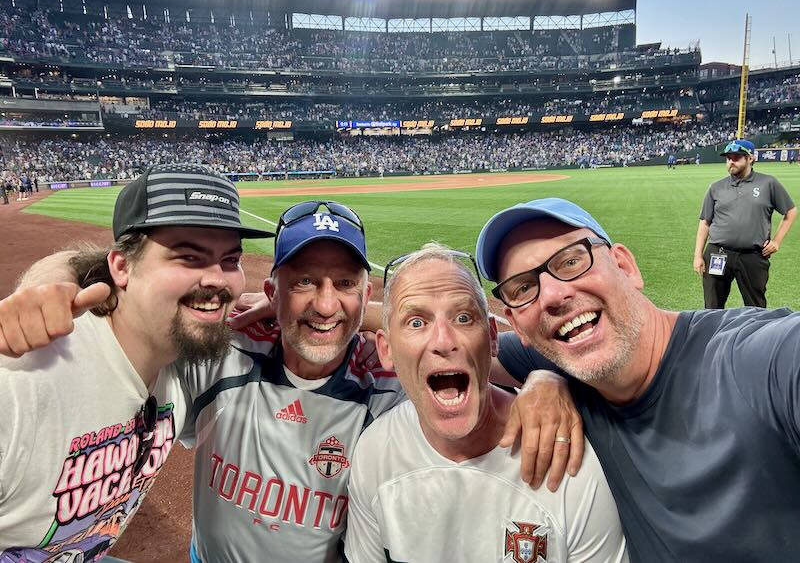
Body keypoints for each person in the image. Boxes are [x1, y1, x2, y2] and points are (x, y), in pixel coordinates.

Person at [0, 200, 581, 562]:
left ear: (366, 297)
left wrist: (543, 385)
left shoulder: (392, 375)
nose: (326, 305)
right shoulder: (217, 351)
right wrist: (46, 280)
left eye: (345, 285)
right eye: (304, 282)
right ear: (272, 291)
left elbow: (528, 354)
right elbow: (136, 292)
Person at [476, 197, 800, 562]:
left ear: (625, 266)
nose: (552, 295)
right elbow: (463, 356)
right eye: (522, 289)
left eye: (571, 261)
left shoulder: (754, 359)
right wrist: (543, 378)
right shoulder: (561, 355)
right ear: (517, 325)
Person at [0, 163, 271, 559]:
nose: (217, 278)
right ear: (122, 268)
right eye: (189, 258)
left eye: (230, 260)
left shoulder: (184, 358)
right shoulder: (20, 382)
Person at [344, 245, 627, 563]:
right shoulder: (374, 452)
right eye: (416, 322)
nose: (443, 340)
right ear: (387, 350)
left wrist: (549, 378)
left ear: (493, 337)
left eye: (463, 318)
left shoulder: (572, 466)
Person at [693, 138, 796, 308]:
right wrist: (698, 255)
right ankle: (713, 335)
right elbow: (705, 222)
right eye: (728, 158)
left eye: (736, 157)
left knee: (756, 308)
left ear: (750, 158)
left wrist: (776, 241)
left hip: (753, 256)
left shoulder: (768, 183)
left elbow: (791, 212)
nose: (731, 162)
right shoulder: (716, 188)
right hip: (718, 253)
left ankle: (756, 335)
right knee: (712, 307)